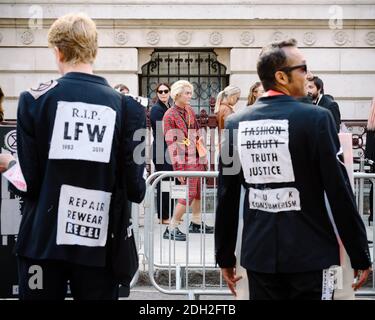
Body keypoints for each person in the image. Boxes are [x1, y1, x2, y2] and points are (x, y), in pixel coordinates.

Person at [215, 38, 371, 300]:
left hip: (259, 254)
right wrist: (360, 254)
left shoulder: (235, 123)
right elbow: (338, 190)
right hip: (308, 256)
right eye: (303, 68)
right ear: (281, 76)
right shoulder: (317, 118)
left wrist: (224, 256)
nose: (308, 75)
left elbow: (226, 196)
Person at [13, 13, 146, 300]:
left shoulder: (33, 101)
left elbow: (30, 181)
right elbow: (137, 189)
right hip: (101, 247)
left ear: (58, 51)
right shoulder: (128, 108)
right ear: (94, 51)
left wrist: (11, 165)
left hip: (43, 244)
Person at [163, 80, 213, 241]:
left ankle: (196, 223)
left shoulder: (190, 110)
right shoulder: (169, 115)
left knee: (198, 191)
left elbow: (197, 131)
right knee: (188, 193)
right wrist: (178, 168)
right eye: (187, 93)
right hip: (184, 159)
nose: (190, 96)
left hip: (196, 156)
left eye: (191, 93)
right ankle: (171, 227)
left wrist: (203, 152)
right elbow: (172, 144)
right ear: (177, 94)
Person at [150, 83, 174, 224]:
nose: (163, 93)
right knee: (163, 182)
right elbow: (164, 131)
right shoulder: (156, 110)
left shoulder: (168, 107)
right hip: (160, 150)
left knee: (169, 182)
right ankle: (163, 216)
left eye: (166, 91)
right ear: (157, 93)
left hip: (167, 149)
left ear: (170, 92)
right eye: (160, 91)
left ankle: (169, 213)